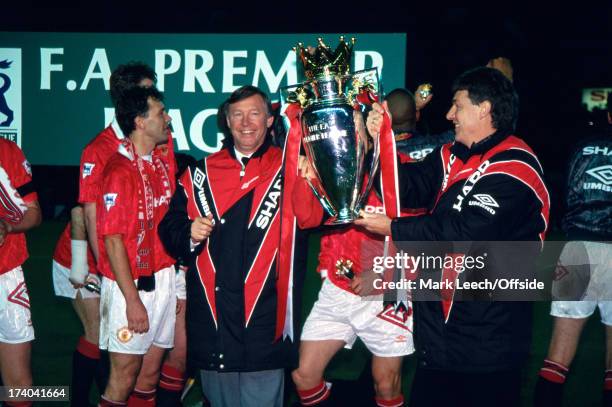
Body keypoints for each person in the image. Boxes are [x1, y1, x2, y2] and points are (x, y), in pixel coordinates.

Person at [358, 67, 550, 406]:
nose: (449, 115)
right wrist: (373, 144)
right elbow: (403, 187)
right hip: (441, 342)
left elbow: (462, 233)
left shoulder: (516, 167)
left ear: (484, 109)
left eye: (456, 106)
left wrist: (393, 228)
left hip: (488, 348)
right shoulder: (452, 155)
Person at [159, 85, 320, 407]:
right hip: (212, 323)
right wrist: (189, 231)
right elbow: (170, 228)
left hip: (265, 324)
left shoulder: (291, 168)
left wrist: (309, 179)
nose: (246, 122)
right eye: (238, 115)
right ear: (227, 122)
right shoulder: (199, 174)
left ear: (271, 120)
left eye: (255, 113)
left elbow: (312, 219)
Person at [291, 88, 452, 407]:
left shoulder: (400, 171)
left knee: (385, 385)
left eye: (352, 125)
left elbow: (418, 235)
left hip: (386, 292)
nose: (346, 134)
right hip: (338, 289)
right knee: (304, 375)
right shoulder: (333, 171)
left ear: (366, 127)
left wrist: (380, 274)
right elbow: (307, 220)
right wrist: (303, 177)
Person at [70, 61, 167, 407]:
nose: (153, 97)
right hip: (99, 261)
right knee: (108, 347)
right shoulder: (100, 149)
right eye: (145, 90)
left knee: (142, 363)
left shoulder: (159, 139)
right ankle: (74, 399)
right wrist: (102, 274)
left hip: (148, 267)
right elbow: (88, 215)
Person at [97, 86, 176, 406]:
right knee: (124, 375)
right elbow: (112, 239)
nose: (167, 118)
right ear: (140, 122)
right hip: (132, 287)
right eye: (160, 113)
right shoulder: (118, 170)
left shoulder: (158, 162)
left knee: (148, 375)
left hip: (164, 279)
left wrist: (175, 285)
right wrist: (132, 301)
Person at [534, 93, 612, 407]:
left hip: (577, 247)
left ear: (608, 117)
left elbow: (567, 193)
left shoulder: (582, 147)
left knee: (557, 357)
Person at [0, 138, 42, 407]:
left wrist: (7, 226)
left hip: (6, 274)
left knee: (21, 388)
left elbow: (35, 214)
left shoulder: (6, 151)